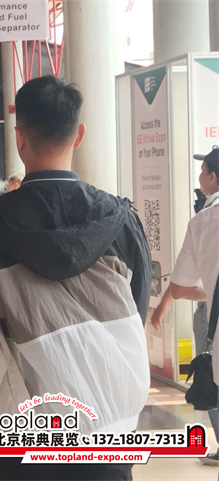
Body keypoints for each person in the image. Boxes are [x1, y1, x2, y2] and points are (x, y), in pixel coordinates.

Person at [0, 76, 151, 481]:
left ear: (19, 137)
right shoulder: (119, 221)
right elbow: (136, 312)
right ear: (79, 134)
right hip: (110, 427)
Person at [167, 146, 219, 464]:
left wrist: (210, 292)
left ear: (212, 177)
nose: (200, 176)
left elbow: (179, 288)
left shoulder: (203, 222)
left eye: (202, 171)